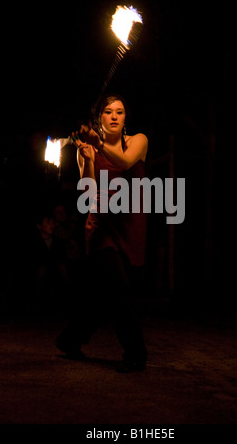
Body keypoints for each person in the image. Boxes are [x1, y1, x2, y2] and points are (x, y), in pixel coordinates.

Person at [56, 93, 149, 373]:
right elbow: (88, 192)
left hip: (131, 223)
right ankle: (136, 353)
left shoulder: (138, 141)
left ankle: (70, 339)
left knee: (105, 295)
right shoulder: (87, 148)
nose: (114, 116)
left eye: (119, 112)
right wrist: (88, 160)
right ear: (99, 118)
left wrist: (99, 146)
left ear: (125, 119)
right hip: (101, 223)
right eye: (108, 112)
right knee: (118, 288)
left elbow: (123, 163)